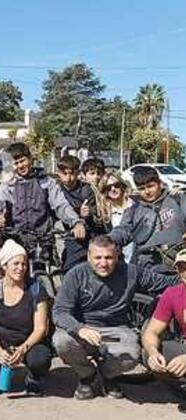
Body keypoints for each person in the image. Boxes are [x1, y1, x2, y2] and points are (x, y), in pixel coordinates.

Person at [52, 235, 177, 400]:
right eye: (98, 257)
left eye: (109, 257)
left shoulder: (130, 272)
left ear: (117, 256)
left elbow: (164, 282)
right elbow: (59, 311)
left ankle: (106, 376)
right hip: (83, 327)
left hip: (117, 329)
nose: (103, 263)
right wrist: (79, 329)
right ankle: (87, 376)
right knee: (62, 342)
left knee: (132, 354)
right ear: (89, 257)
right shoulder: (76, 275)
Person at [0, 240, 52, 395]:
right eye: (15, 263)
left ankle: (34, 376)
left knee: (40, 359)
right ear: (4, 265)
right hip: (2, 341)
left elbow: (41, 328)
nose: (21, 268)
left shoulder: (36, 288)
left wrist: (22, 349)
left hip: (29, 341)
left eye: (24, 264)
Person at [0, 142, 86, 256]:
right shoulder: (8, 185)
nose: (20, 166)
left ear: (30, 158)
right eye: (16, 163)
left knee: (52, 271)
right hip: (15, 241)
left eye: (22, 161)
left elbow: (61, 205)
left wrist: (76, 222)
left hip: (43, 239)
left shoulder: (46, 182)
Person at [109, 165, 186, 269]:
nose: (147, 192)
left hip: (179, 263)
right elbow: (122, 230)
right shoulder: (133, 210)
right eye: (141, 189)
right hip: (149, 266)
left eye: (150, 186)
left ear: (160, 183)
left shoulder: (178, 199)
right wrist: (108, 239)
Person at [142, 248, 186, 414]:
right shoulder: (172, 294)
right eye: (182, 267)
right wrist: (153, 353)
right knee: (149, 354)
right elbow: (151, 332)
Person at [56, 155, 97, 272]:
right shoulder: (56, 190)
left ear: (78, 173)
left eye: (72, 173)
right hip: (65, 234)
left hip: (86, 235)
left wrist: (87, 214)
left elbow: (96, 215)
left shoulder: (86, 190)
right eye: (64, 173)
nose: (68, 178)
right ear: (58, 173)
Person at [96, 172, 135, 263]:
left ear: (122, 186)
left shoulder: (136, 206)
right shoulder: (104, 213)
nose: (113, 189)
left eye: (116, 185)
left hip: (138, 259)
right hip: (118, 262)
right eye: (108, 187)